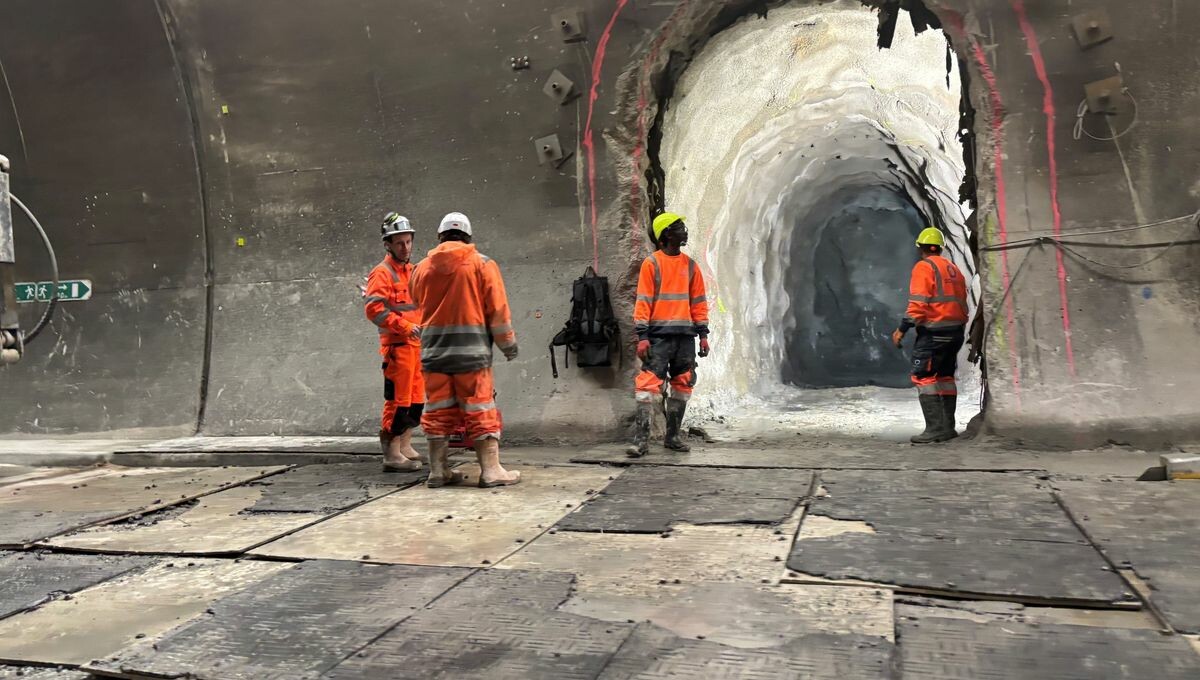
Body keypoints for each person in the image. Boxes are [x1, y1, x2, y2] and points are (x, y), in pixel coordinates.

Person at [410, 212, 521, 488]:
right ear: (468, 237)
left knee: (438, 413)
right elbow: (497, 310)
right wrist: (508, 345)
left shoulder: (421, 269)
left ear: (440, 237)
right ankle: (491, 471)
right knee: (481, 409)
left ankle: (438, 471)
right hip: (472, 356)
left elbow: (416, 301)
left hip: (434, 355)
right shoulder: (482, 264)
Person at [627, 212, 710, 458]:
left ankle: (672, 437)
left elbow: (699, 303)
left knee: (683, 383)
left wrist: (703, 335)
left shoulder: (691, 266)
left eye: (683, 226)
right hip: (658, 338)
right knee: (647, 386)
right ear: (665, 235)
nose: (684, 231)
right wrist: (642, 336)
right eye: (678, 227)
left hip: (685, 338)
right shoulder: (652, 264)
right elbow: (643, 301)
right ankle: (640, 441)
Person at [892, 227, 969, 444]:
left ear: (920, 247)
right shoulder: (953, 268)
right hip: (955, 332)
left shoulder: (924, 267)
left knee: (923, 376)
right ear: (941, 248)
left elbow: (918, 303)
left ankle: (934, 429)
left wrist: (902, 329)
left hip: (934, 333)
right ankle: (947, 427)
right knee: (944, 378)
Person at [364, 212, 425, 471]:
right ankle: (391, 453)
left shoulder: (413, 271)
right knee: (397, 401)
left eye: (408, 241)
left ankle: (404, 445)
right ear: (388, 244)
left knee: (415, 400)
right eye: (399, 242)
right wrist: (405, 326)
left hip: (416, 346)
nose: (405, 247)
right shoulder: (382, 273)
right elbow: (374, 310)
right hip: (398, 347)